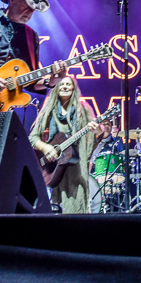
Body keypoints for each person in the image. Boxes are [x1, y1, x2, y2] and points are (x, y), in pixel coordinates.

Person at [29, 76, 109, 214]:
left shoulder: (83, 109)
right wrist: (46, 148)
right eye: (61, 84)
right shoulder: (49, 110)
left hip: (76, 170)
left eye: (68, 84)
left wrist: (97, 130)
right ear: (56, 88)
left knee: (76, 210)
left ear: (73, 89)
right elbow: (32, 138)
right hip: (52, 169)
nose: (64, 87)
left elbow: (99, 135)